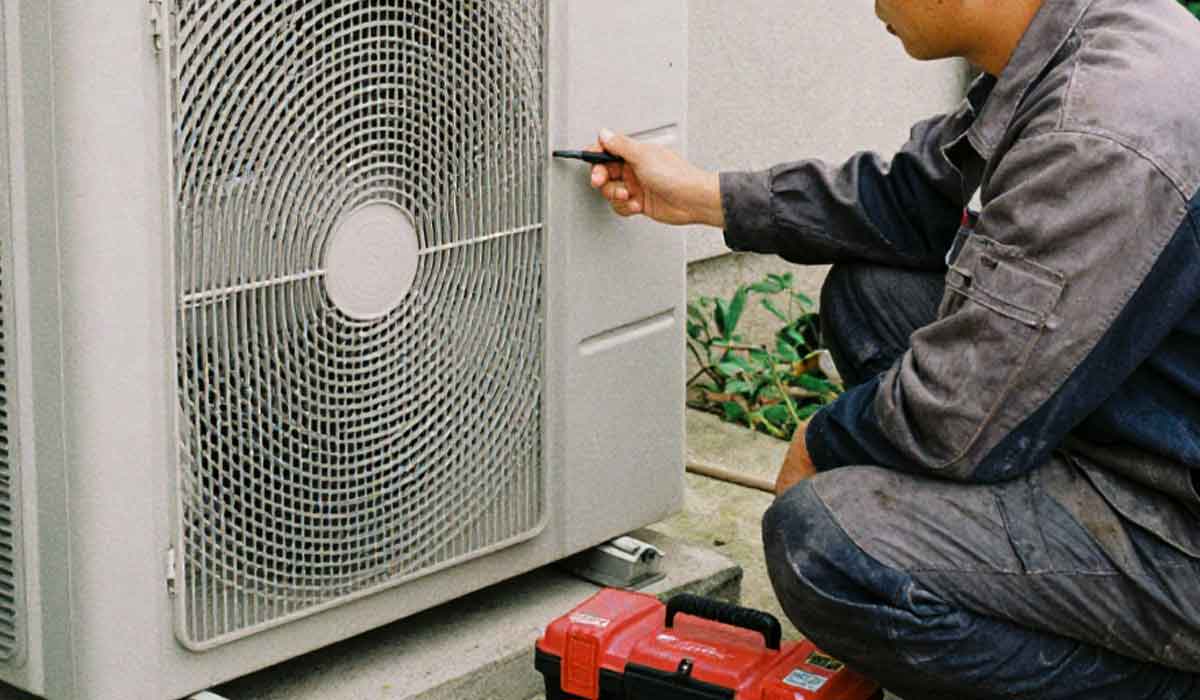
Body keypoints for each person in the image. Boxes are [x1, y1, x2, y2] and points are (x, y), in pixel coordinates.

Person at [584, 0, 1200, 697]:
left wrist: (820, 443)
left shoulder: (1100, 134)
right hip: (1151, 422)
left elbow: (958, 411)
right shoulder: (1089, 36)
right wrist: (707, 197)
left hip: (1177, 530)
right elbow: (915, 200)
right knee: (872, 293)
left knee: (826, 545)